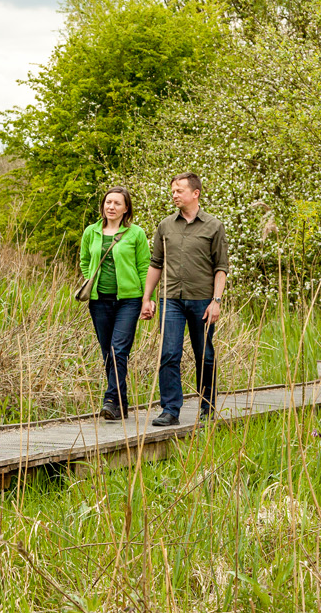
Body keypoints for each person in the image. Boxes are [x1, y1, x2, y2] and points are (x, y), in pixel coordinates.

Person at [141, 172, 229, 426]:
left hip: (202, 300)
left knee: (205, 355)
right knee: (169, 353)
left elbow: (220, 267)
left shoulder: (214, 226)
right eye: (173, 191)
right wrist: (147, 298)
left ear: (195, 193)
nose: (174, 195)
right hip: (171, 300)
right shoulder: (165, 225)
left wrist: (217, 301)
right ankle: (170, 410)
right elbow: (155, 263)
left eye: (179, 190)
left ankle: (207, 407)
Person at [78, 187, 151, 420]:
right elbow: (84, 261)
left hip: (129, 300)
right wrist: (91, 278)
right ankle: (121, 403)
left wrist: (146, 299)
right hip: (99, 301)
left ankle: (110, 400)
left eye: (117, 203)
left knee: (119, 349)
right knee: (108, 353)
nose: (111, 207)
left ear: (126, 208)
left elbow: (144, 267)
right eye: (108, 202)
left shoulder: (136, 234)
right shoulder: (91, 231)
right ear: (103, 205)